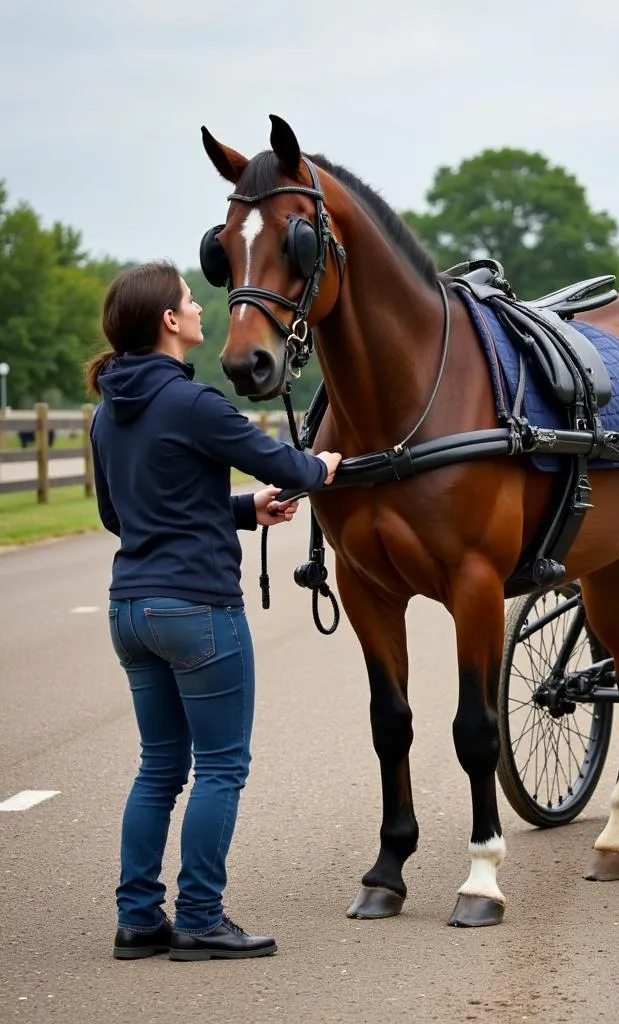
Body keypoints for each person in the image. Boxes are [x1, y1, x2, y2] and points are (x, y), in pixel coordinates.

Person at [84, 260, 342, 961]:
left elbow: (124, 516)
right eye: (191, 302)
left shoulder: (110, 409)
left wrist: (243, 512)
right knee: (222, 765)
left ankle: (139, 921)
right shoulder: (192, 404)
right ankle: (200, 916)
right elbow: (288, 465)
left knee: (159, 768)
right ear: (169, 322)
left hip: (131, 610)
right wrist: (323, 468)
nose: (202, 309)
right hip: (197, 610)